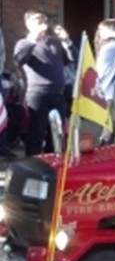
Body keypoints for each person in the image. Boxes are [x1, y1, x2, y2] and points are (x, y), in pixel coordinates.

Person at [13, 10, 77, 155]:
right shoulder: (24, 43)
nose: (43, 24)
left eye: (44, 21)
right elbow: (19, 60)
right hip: (38, 93)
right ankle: (34, 161)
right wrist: (33, 39)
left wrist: (66, 41)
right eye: (38, 21)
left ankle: (53, 159)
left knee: (56, 131)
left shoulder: (54, 42)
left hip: (58, 93)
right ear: (29, 25)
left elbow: (73, 58)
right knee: (37, 129)